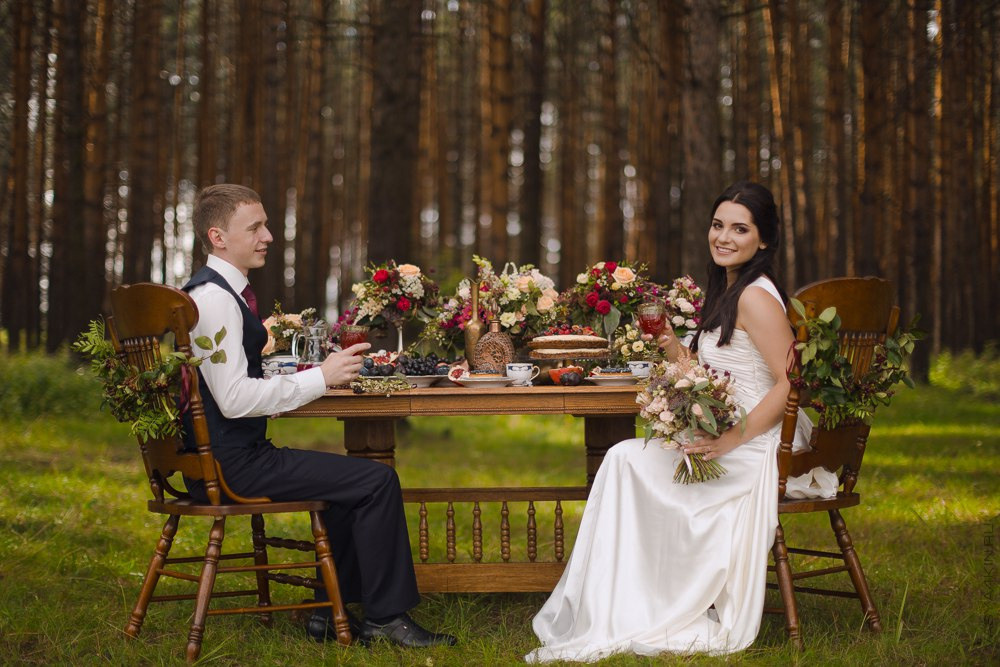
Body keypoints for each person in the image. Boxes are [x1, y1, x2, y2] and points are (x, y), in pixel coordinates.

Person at [526, 181, 834, 662]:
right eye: (717, 225)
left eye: (740, 228)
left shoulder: (756, 297)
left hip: (757, 444)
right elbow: (711, 378)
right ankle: (626, 597)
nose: (724, 238)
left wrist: (730, 439)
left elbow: (789, 384)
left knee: (625, 459)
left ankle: (641, 599)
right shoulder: (729, 291)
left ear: (765, 240)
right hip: (729, 431)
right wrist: (672, 346)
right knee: (624, 458)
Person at [181, 184, 455, 648]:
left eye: (265, 224)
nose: (268, 235)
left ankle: (330, 613)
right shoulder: (215, 299)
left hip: (224, 455)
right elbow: (232, 401)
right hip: (232, 464)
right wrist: (322, 378)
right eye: (255, 227)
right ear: (218, 236)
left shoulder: (219, 293)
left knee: (353, 483)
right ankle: (386, 617)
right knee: (376, 481)